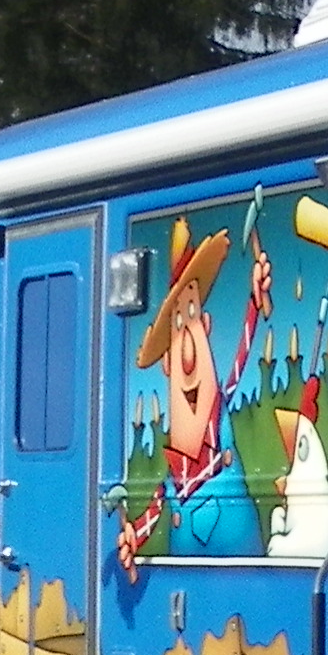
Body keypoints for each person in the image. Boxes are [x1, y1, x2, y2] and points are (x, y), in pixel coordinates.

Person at [116, 219, 272, 573]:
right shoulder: (172, 472)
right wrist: (132, 538)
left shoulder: (222, 414)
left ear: (207, 326)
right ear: (167, 362)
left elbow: (243, 352)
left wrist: (254, 299)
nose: (188, 351)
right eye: (176, 328)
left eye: (191, 317)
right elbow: (154, 511)